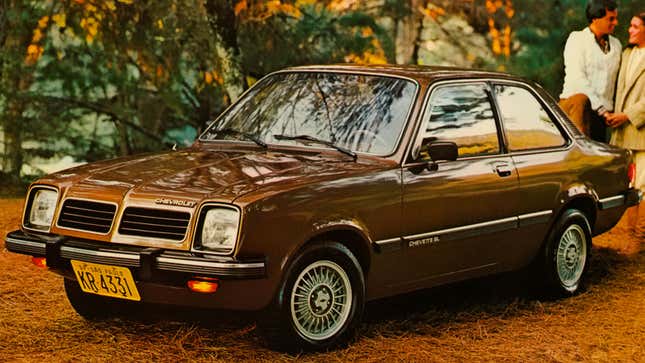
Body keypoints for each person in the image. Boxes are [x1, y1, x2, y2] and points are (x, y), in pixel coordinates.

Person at [606, 12, 645, 240]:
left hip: (640, 131)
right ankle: (629, 237)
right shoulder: (627, 53)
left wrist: (626, 115)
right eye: (630, 26)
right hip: (623, 131)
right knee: (629, 184)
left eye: (635, 26)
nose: (629, 30)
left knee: (642, 184)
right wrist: (611, 114)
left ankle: (639, 239)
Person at [559, 0, 621, 142]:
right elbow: (577, 78)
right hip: (577, 110)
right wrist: (601, 109)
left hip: (602, 118)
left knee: (598, 159)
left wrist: (612, 113)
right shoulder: (577, 39)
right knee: (579, 159)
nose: (615, 22)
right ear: (595, 19)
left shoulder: (616, 45)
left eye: (616, 18)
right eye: (610, 19)